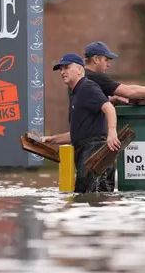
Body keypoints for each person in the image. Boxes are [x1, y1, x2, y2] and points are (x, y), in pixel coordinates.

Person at [42, 53, 120, 193]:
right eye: (60, 69)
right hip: (88, 154)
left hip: (94, 154)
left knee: (87, 200)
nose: (62, 72)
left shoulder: (87, 87)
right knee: (94, 201)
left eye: (66, 67)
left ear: (79, 69)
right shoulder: (76, 93)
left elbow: (109, 108)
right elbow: (77, 134)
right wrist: (52, 139)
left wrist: (112, 132)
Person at [83, 41, 145, 105]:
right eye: (106, 60)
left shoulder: (82, 76)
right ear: (96, 59)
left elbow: (91, 102)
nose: (108, 65)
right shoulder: (96, 77)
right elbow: (129, 91)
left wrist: (111, 99)